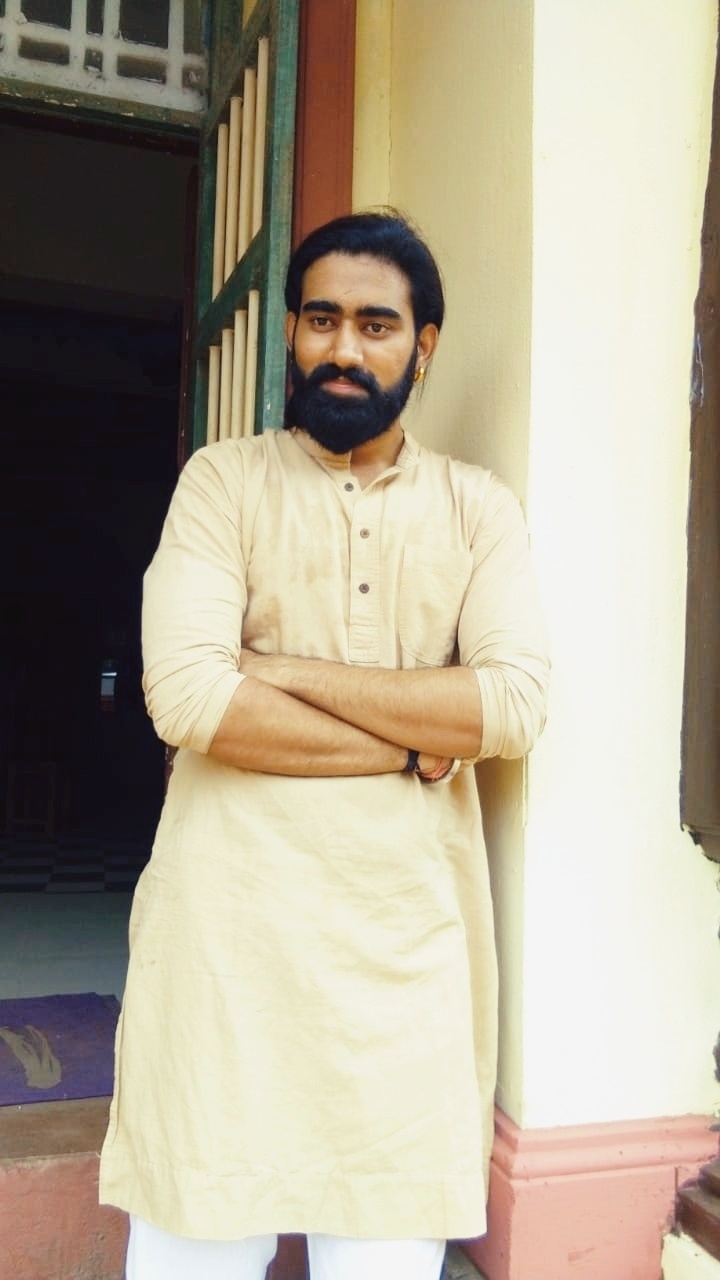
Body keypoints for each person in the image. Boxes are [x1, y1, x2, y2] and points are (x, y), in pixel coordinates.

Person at [99, 211, 550, 1280]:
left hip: (404, 962)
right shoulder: (222, 482)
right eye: (321, 319)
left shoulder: (477, 509)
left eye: (376, 325)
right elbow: (190, 698)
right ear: (293, 335)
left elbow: (512, 704)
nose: (344, 347)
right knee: (193, 1247)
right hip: (225, 943)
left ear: (423, 346)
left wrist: (279, 670)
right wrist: (410, 740)